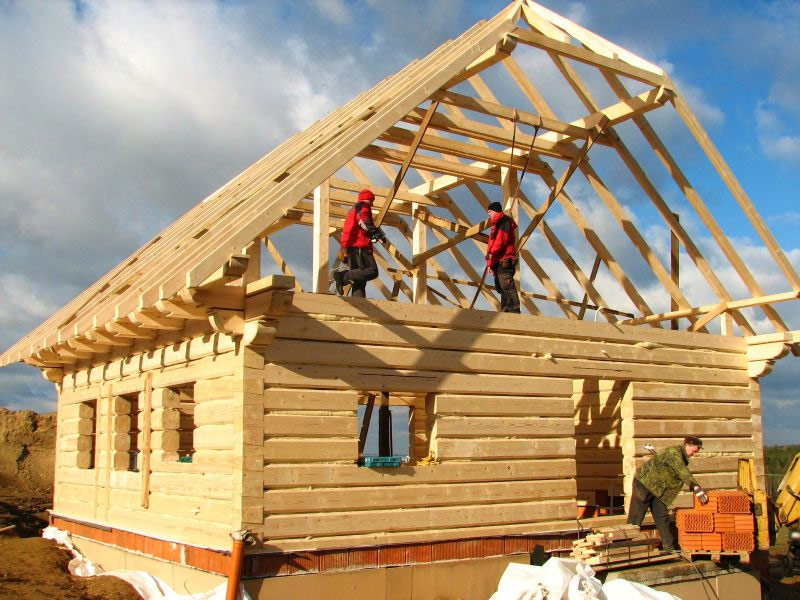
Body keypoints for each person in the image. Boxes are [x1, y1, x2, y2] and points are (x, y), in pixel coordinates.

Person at [627, 436, 709, 552]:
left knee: (662, 518)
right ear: (688, 445)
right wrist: (696, 488)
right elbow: (681, 471)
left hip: (658, 489)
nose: (695, 453)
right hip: (644, 484)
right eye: (695, 450)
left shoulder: (680, 456)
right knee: (636, 517)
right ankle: (625, 547)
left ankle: (669, 549)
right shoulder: (674, 453)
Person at [334, 189, 385, 298]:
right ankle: (342, 277)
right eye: (372, 200)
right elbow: (365, 222)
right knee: (372, 271)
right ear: (368, 199)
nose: (372, 204)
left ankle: (358, 304)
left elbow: (357, 226)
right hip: (359, 247)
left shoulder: (353, 210)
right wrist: (376, 233)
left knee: (359, 280)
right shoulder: (362, 206)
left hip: (349, 248)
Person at [485, 201, 520, 313]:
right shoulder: (496, 225)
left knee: (506, 285)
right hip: (498, 260)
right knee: (502, 287)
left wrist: (491, 254)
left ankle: (513, 309)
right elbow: (492, 245)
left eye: (490, 212)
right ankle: (506, 309)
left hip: (505, 259)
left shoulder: (504, 222)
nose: (489, 214)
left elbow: (501, 240)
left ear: (496, 211)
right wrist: (490, 264)